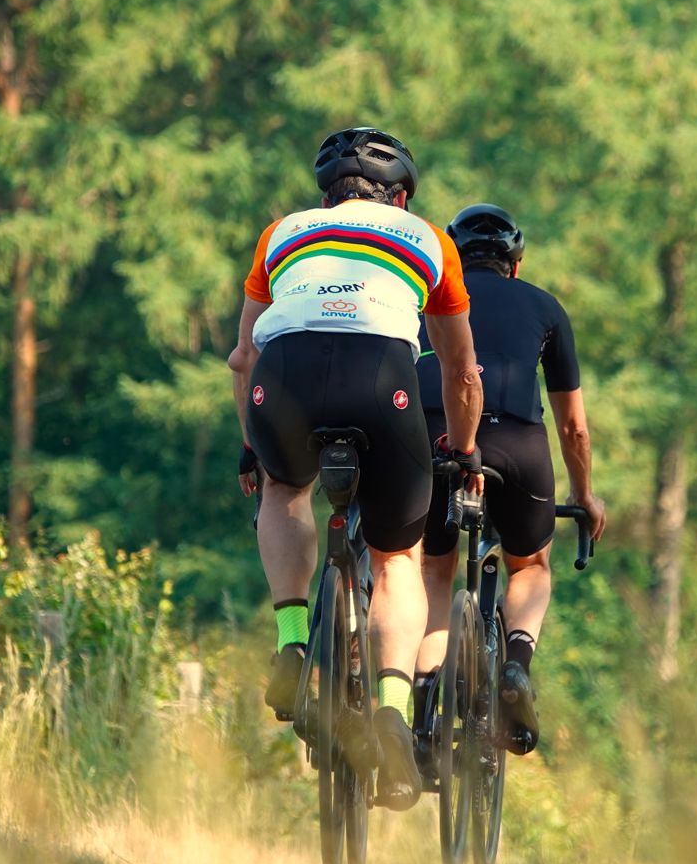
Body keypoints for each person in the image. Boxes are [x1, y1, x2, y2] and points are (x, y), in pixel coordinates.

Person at [228, 127, 484, 810]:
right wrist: (462, 450)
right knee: (397, 557)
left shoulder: (281, 232)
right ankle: (394, 713)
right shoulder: (429, 237)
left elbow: (243, 357)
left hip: (285, 377)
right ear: (399, 196)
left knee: (285, 491)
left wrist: (253, 450)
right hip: (382, 378)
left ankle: (289, 643)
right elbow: (460, 371)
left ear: (327, 195)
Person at [413, 203, 606, 754]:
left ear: (452, 257)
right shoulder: (545, 307)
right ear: (515, 265)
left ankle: (424, 709)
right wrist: (584, 495)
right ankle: (516, 665)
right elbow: (573, 428)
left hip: (436, 436)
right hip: (520, 446)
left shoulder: (427, 298)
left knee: (432, 566)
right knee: (531, 563)